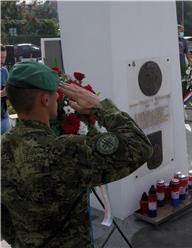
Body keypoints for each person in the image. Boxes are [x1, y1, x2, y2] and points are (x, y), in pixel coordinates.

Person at [1, 61, 153, 247]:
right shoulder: (62, 151)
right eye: (54, 93)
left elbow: (5, 219)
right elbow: (140, 146)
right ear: (45, 100)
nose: (58, 96)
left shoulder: (4, 146)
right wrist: (100, 106)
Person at [1, 45, 11, 134]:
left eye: (4, 57)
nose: (2, 61)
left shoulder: (4, 71)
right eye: (0, 57)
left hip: (4, 116)